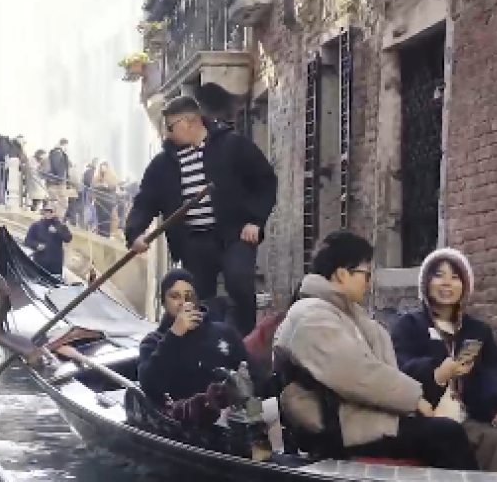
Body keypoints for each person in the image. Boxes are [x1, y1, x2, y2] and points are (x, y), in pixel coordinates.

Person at [273, 231, 477, 470]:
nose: (368, 283)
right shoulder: (311, 316)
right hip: (343, 429)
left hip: (362, 419)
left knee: (452, 432)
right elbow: (357, 373)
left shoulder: (348, 315)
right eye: (366, 274)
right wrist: (414, 399)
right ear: (342, 274)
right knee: (448, 435)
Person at [125, 94, 277, 335]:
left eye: (171, 127)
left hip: (234, 234)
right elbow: (145, 201)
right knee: (196, 297)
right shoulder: (163, 165)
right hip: (193, 241)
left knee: (239, 280)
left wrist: (255, 221)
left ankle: (244, 341)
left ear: (189, 122)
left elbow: (265, 181)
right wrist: (135, 233)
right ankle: (203, 344)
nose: (167, 134)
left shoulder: (233, 146)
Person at [391, 249, 497, 471]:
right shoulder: (409, 325)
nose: (447, 283)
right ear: (426, 283)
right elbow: (401, 367)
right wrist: (437, 373)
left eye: (455, 277)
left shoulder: (477, 330)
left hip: (466, 416)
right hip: (426, 417)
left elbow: (494, 371)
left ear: (465, 286)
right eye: (439, 275)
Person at [139, 269, 250, 410]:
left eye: (189, 296)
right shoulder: (153, 342)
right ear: (164, 302)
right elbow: (150, 384)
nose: (183, 302)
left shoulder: (225, 333)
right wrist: (174, 335)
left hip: (229, 416)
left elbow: (249, 375)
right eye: (175, 296)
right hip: (179, 418)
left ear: (197, 300)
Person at [23, 206, 73, 276]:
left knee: (55, 280)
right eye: (46, 211)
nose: (48, 214)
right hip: (40, 262)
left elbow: (68, 238)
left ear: (54, 213)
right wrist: (36, 245)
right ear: (43, 213)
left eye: (51, 212)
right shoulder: (36, 226)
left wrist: (57, 232)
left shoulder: (61, 226)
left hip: (55, 263)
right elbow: (27, 241)